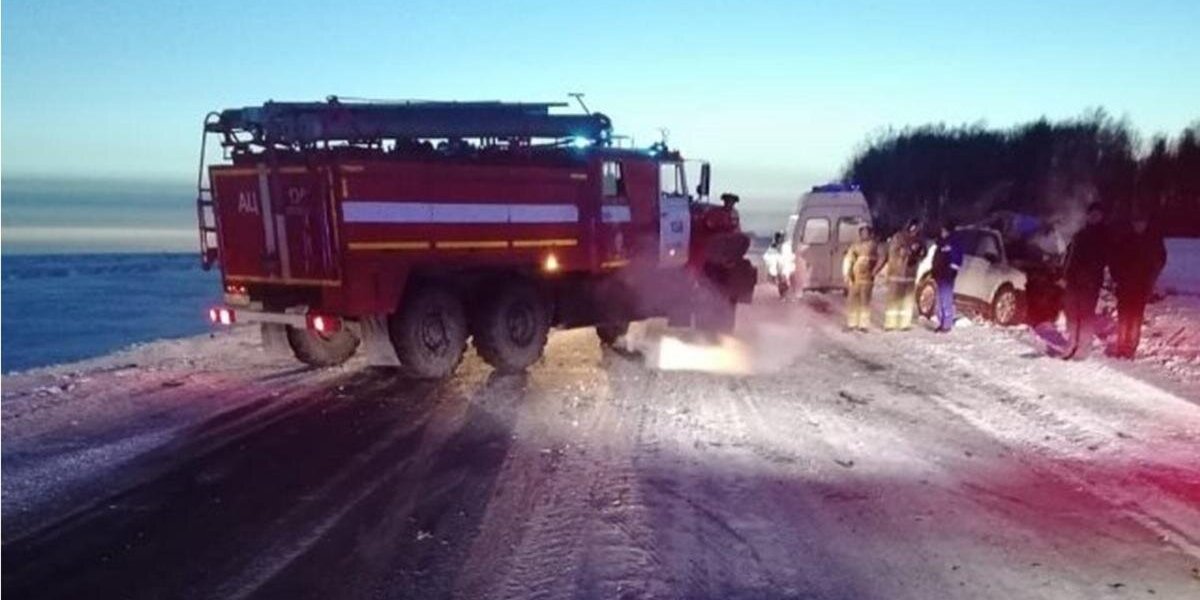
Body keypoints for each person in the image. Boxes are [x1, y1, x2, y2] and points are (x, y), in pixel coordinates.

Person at [1110, 215, 1167, 358]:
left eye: (1141, 222)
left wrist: (1150, 278)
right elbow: (1114, 259)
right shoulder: (1125, 239)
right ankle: (1121, 346)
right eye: (1136, 222)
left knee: (1135, 318)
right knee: (1123, 317)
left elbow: (1160, 260)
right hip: (1124, 285)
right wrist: (1116, 277)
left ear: (1146, 223)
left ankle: (1130, 348)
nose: (1138, 225)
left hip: (1141, 286)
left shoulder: (1152, 240)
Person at [1061, 202, 1111, 360]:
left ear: (1102, 217)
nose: (1094, 217)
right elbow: (1070, 257)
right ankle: (1071, 342)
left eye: (1097, 214)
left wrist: (1104, 279)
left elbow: (1107, 259)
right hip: (1073, 279)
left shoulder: (1104, 235)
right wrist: (1064, 275)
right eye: (1091, 214)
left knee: (1086, 314)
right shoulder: (1080, 234)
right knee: (1071, 312)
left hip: (1090, 281)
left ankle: (1084, 345)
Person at [878, 218, 926, 331]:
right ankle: (890, 324)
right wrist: (906, 251)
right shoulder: (899, 237)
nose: (915, 231)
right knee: (894, 299)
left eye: (918, 229)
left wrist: (920, 252)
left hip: (910, 275)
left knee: (907, 301)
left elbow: (923, 253)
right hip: (897, 274)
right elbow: (893, 251)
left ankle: (904, 323)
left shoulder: (919, 240)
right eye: (914, 228)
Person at [843, 225, 880, 331]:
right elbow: (848, 260)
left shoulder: (873, 246)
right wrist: (847, 274)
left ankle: (863, 325)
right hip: (855, 278)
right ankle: (851, 323)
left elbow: (879, 259)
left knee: (865, 302)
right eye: (862, 232)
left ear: (870, 233)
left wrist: (874, 272)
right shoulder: (855, 246)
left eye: (866, 232)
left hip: (867, 279)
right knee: (853, 301)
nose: (864, 235)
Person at [930, 223, 963, 332]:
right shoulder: (941, 243)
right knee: (940, 299)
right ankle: (942, 323)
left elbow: (956, 259)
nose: (942, 232)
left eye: (944, 230)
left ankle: (946, 324)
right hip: (940, 274)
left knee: (946, 299)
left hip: (947, 275)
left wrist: (952, 271)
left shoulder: (953, 242)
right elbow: (936, 258)